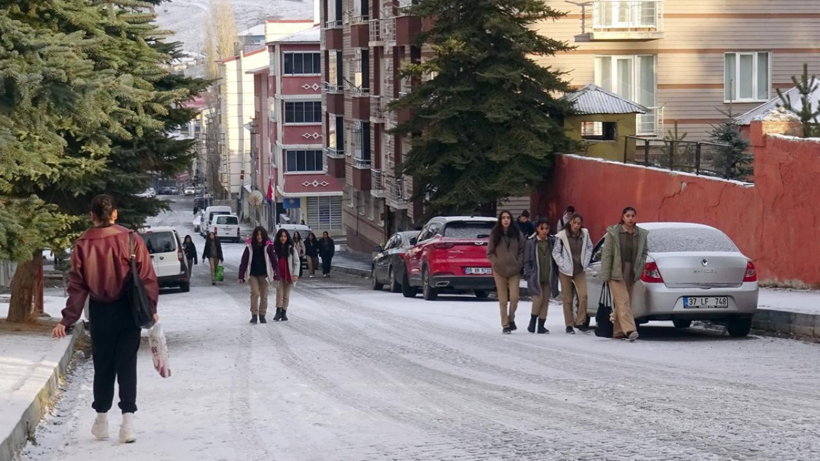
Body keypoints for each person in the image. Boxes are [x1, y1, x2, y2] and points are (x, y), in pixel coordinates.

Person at [52, 195, 159, 444]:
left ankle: (101, 422)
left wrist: (67, 320)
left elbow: (77, 286)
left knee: (103, 366)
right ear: (115, 214)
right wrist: (151, 308)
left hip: (100, 312)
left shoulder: (82, 244)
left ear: (92, 215)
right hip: (129, 310)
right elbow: (147, 277)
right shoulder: (131, 239)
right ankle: (128, 425)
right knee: (127, 365)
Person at [600, 206, 649, 342]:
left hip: (631, 271)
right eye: (628, 216)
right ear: (622, 217)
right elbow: (607, 254)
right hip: (616, 271)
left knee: (624, 302)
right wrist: (605, 275)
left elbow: (644, 252)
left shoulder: (641, 234)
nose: (630, 218)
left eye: (633, 216)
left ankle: (618, 332)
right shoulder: (613, 233)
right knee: (623, 300)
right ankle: (630, 329)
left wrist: (640, 266)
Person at [553, 213, 594, 334]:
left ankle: (581, 321)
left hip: (579, 269)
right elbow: (556, 252)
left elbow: (589, 247)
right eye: (574, 222)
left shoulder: (585, 234)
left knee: (583, 296)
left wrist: (585, 262)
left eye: (579, 223)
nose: (576, 225)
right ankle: (569, 324)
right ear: (570, 222)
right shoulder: (562, 235)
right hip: (565, 271)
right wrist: (563, 264)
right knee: (567, 298)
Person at [487, 210, 525, 335]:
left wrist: (519, 262)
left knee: (514, 298)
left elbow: (522, 249)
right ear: (500, 220)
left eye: (508, 217)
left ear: (511, 219)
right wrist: (496, 262)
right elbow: (490, 253)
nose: (506, 220)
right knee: (503, 300)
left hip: (514, 270)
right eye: (503, 217)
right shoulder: (495, 234)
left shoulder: (517, 233)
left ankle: (511, 318)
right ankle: (505, 325)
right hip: (500, 270)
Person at [523, 217, 557, 334]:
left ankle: (541, 325)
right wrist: (529, 274)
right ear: (537, 228)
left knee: (546, 300)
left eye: (547, 228)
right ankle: (532, 321)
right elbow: (527, 261)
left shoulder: (551, 242)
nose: (544, 231)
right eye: (542, 228)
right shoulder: (531, 242)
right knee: (538, 298)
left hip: (548, 276)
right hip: (535, 276)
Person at [239, 227, 278, 324]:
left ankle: (262, 314)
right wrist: (241, 275)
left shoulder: (268, 246)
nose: (259, 237)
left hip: (265, 274)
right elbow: (244, 261)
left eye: (261, 234)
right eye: (257, 235)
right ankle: (254, 314)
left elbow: (274, 261)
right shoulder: (250, 246)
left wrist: (276, 273)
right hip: (253, 274)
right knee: (255, 292)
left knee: (264, 295)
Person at [273, 229, 300, 321]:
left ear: (287, 237)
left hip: (288, 274)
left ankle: (284, 312)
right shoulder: (275, 248)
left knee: (286, 294)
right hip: (279, 274)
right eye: (281, 236)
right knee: (279, 293)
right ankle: (278, 311)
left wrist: (295, 274)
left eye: (285, 236)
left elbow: (296, 262)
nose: (283, 238)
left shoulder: (291, 248)